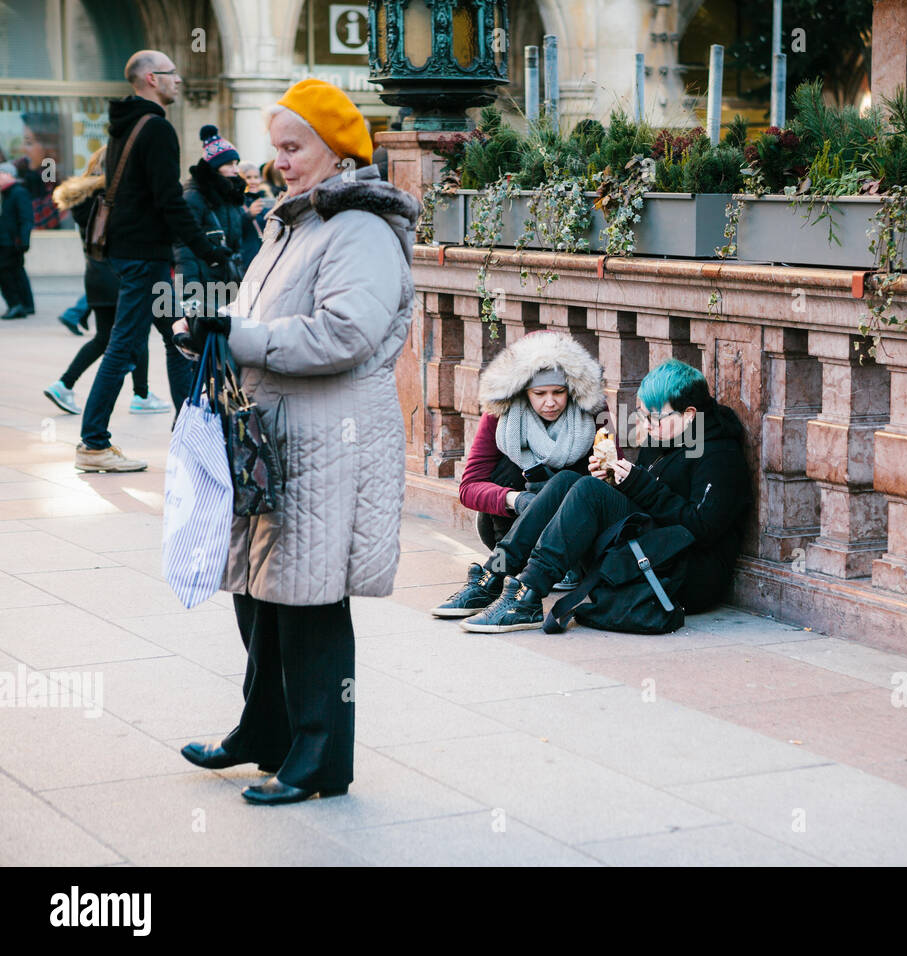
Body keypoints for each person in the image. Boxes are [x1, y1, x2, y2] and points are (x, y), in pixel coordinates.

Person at [174, 78, 414, 806]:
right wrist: (212, 331)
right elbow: (263, 317)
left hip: (328, 443)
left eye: (293, 146)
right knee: (260, 595)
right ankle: (264, 734)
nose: (278, 160)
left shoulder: (360, 230)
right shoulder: (294, 222)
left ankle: (319, 762)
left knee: (308, 604)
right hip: (275, 436)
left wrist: (242, 335)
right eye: (275, 146)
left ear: (337, 149)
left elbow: (346, 334)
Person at [454, 358, 752, 633]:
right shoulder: (666, 435)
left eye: (655, 418)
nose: (646, 426)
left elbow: (701, 528)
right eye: (643, 416)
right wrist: (616, 480)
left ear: (689, 415)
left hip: (685, 576)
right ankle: (495, 574)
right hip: (649, 550)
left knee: (586, 489)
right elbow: (648, 500)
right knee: (569, 480)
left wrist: (636, 483)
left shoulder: (719, 454)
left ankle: (528, 592)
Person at [73, 49, 232, 474]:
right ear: (150, 80)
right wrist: (208, 251)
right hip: (145, 257)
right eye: (171, 73)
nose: (178, 79)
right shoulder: (157, 129)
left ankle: (189, 433)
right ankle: (93, 443)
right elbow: (169, 202)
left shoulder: (126, 127)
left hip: (137, 254)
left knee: (179, 339)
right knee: (122, 346)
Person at [431, 330, 614, 618]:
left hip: (574, 530)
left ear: (573, 389)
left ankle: (495, 575)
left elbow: (617, 477)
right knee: (505, 468)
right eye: (539, 394)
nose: (550, 402)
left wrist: (605, 473)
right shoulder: (499, 415)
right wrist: (516, 500)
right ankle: (501, 573)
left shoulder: (594, 411)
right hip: (514, 527)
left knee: (570, 480)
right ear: (523, 392)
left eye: (559, 392)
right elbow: (469, 487)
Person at [44, 148, 169, 415]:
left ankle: (65, 384)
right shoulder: (112, 196)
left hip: (96, 276)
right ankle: (141, 395)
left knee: (106, 337)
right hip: (119, 275)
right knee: (134, 335)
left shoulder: (82, 196)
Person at [173, 125, 258, 293]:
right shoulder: (194, 196)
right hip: (203, 283)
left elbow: (237, 240)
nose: (235, 170)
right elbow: (183, 245)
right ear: (214, 166)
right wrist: (189, 287)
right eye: (229, 164)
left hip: (231, 279)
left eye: (236, 164)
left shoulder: (231, 195)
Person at [0, 161, 34, 319]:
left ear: (9, 175)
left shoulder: (18, 192)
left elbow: (26, 219)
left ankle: (16, 304)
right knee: (17, 272)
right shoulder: (5, 194)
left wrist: (24, 240)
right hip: (6, 241)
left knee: (8, 273)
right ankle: (25, 305)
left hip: (12, 242)